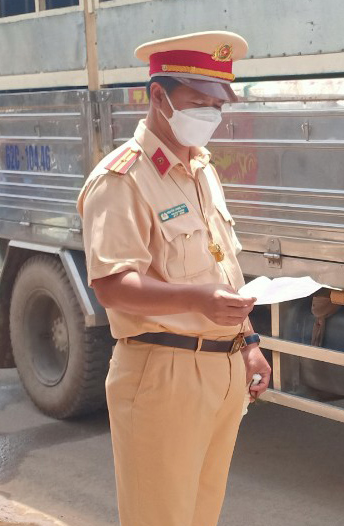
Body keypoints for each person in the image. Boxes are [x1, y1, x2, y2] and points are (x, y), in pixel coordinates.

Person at [77, 31, 271, 526]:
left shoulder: (202, 169)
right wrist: (198, 300)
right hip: (162, 374)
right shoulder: (122, 178)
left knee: (200, 517)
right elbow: (111, 285)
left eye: (217, 105)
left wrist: (248, 341)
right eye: (198, 102)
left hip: (221, 372)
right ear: (158, 96)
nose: (210, 115)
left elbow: (219, 262)